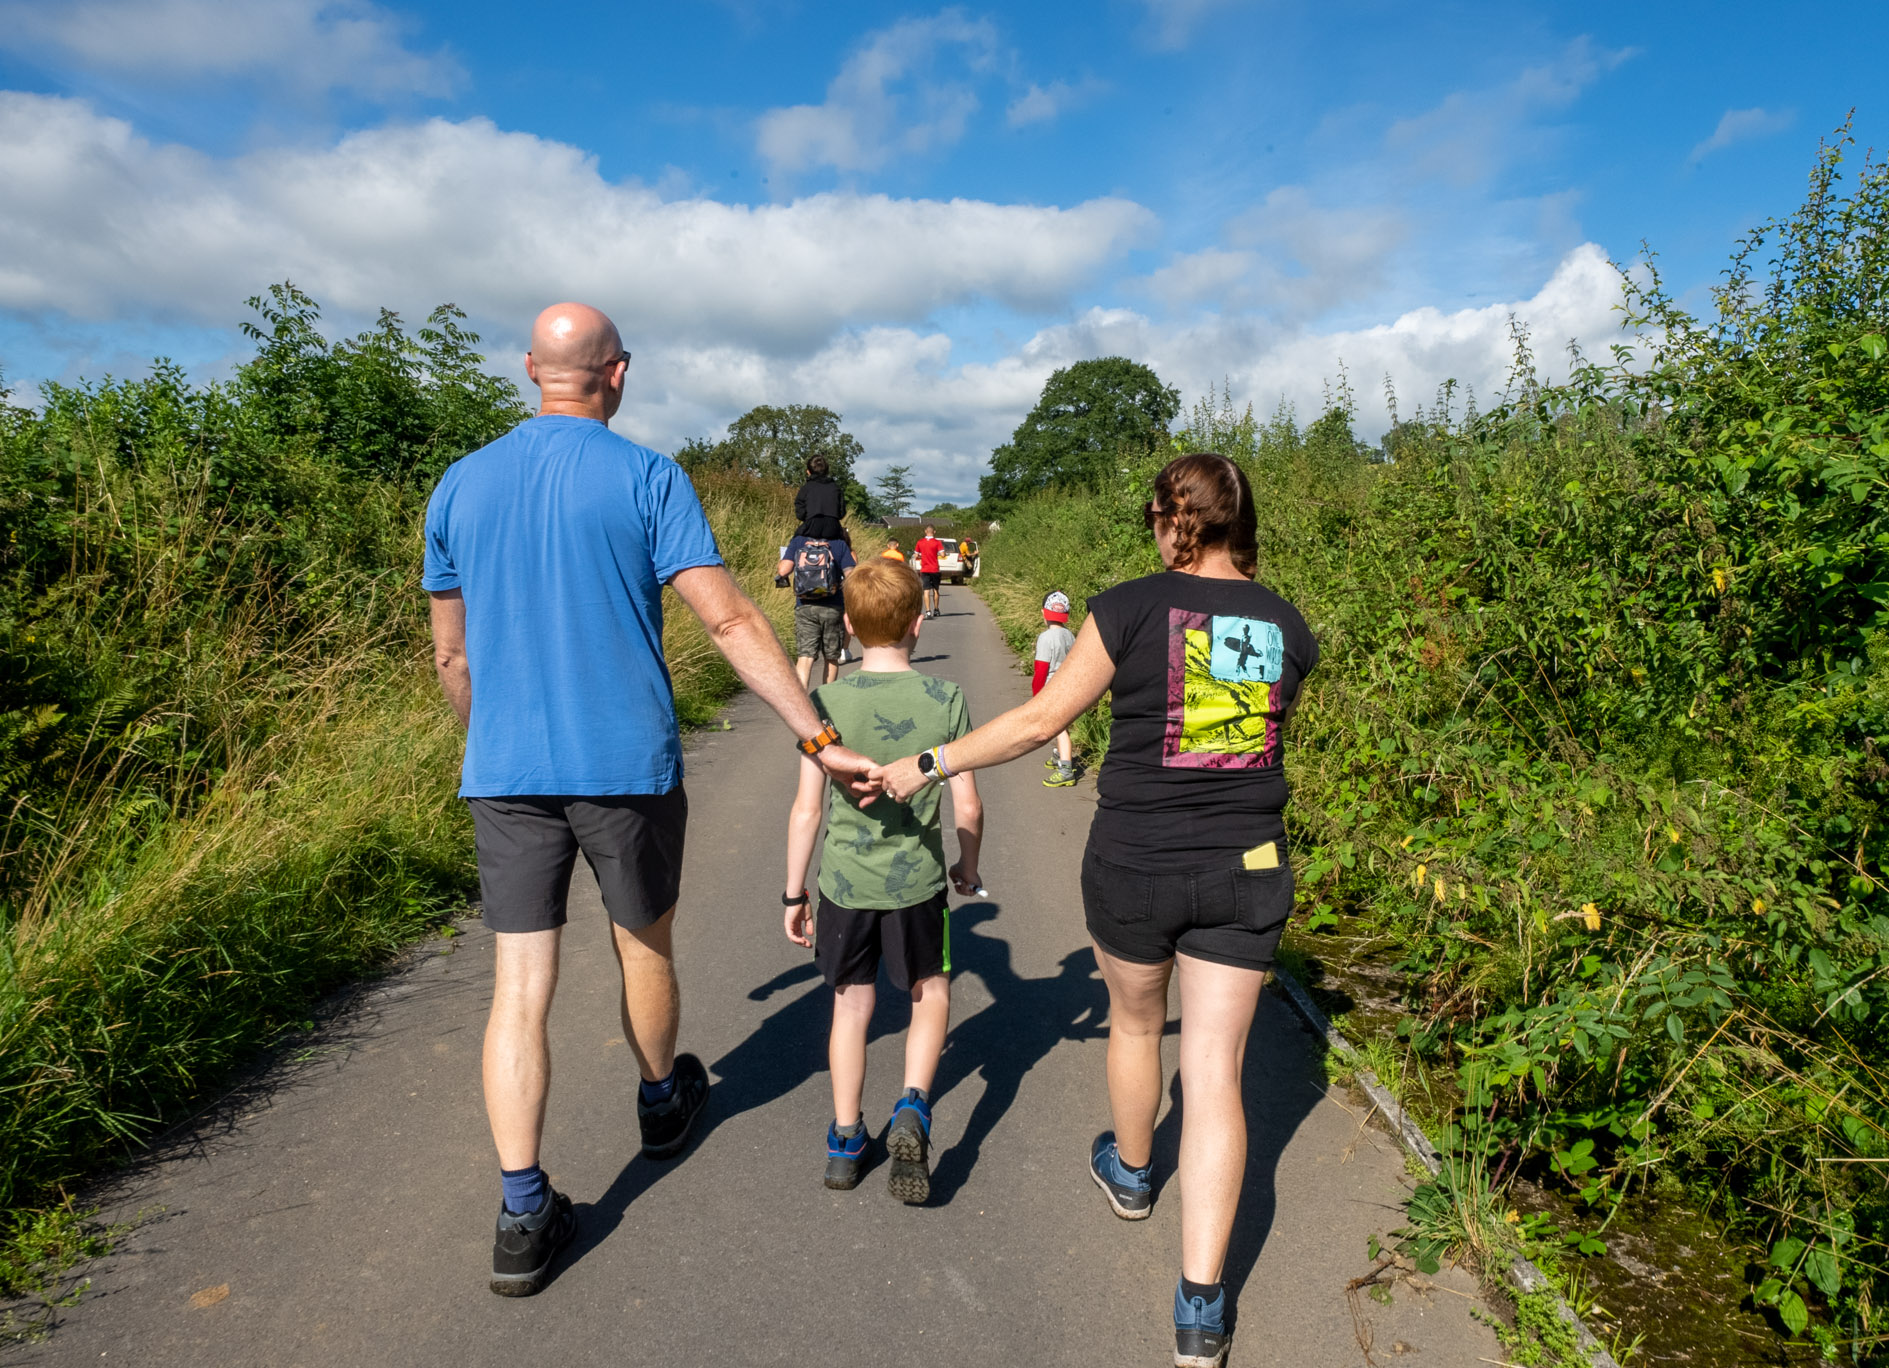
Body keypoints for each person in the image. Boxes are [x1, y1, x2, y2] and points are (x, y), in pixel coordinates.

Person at [423, 302, 880, 1298]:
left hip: (505, 771)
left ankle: (520, 1209)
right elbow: (725, 618)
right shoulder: (643, 477)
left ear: (527, 370)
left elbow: (451, 655)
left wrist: (491, 737)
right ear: (616, 374)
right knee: (643, 945)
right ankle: (660, 1099)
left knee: (518, 986)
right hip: (624, 765)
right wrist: (816, 733)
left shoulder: (457, 486)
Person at [876, 453, 1316, 1368]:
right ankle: (1201, 1307)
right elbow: (1239, 737)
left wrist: (929, 764)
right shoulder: (1287, 624)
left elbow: (1040, 724)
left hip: (1135, 863)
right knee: (1218, 1072)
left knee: (1133, 1021)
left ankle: (1131, 1172)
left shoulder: (1129, 606)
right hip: (1249, 864)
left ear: (1168, 518)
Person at [782, 559, 984, 1203]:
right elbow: (970, 805)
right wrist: (968, 867)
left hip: (844, 886)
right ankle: (914, 1107)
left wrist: (795, 891)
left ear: (847, 624)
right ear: (918, 623)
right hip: (917, 885)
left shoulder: (826, 702)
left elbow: (807, 808)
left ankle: (846, 1140)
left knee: (851, 1004)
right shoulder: (945, 699)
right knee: (930, 990)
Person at [776, 528, 858, 686]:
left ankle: (802, 705)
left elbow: (783, 570)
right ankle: (826, 699)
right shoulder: (839, 543)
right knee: (831, 657)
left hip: (805, 606)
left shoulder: (798, 541)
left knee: (805, 657)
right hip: (833, 607)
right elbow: (852, 577)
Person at [1035, 590, 1079, 788]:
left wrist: (1036, 696)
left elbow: (1041, 670)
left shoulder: (1045, 638)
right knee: (1063, 725)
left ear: (1044, 613)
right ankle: (1059, 755)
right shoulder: (1070, 635)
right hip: (1070, 686)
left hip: (1053, 689)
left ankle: (1066, 769)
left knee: (1059, 729)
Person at [793, 453, 848, 542]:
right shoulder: (836, 488)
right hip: (833, 530)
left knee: (793, 545)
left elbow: (800, 514)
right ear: (827, 471)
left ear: (808, 472)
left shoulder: (805, 489)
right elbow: (841, 513)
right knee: (845, 546)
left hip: (811, 528)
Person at [913, 524, 945, 618]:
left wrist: (920, 556)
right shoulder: (937, 542)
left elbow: (916, 555)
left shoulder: (920, 542)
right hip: (934, 568)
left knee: (926, 591)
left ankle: (928, 611)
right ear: (934, 532)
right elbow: (942, 554)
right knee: (936, 590)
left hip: (925, 569)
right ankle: (936, 609)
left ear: (925, 531)